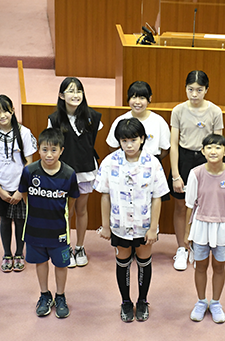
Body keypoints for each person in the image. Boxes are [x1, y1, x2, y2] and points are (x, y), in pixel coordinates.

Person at [94, 118, 169, 322]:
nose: (129, 145)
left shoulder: (152, 163)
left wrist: (153, 228)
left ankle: (143, 301)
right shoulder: (109, 162)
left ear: (142, 139)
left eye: (133, 140)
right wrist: (106, 226)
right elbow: (104, 195)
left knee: (144, 262)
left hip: (144, 226)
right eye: (124, 140)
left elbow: (157, 197)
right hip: (119, 226)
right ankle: (126, 302)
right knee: (123, 263)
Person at [18, 128, 80, 318]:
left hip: (59, 231)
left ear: (62, 150)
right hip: (35, 230)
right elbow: (24, 194)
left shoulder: (69, 174)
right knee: (40, 262)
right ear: (38, 149)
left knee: (61, 265)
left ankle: (60, 296)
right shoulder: (29, 171)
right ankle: (45, 295)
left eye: (54, 150)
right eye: (45, 149)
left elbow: (72, 200)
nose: (49, 154)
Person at [170, 70, 223, 271]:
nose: (194, 94)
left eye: (199, 90)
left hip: (206, 160)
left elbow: (218, 144)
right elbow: (173, 144)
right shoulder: (178, 110)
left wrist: (215, 169)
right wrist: (176, 174)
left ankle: (198, 247)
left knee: (203, 207)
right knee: (181, 207)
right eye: (190, 89)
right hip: (183, 159)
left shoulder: (215, 111)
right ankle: (182, 248)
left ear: (206, 90)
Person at [184, 134, 225, 324]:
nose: (213, 151)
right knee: (200, 266)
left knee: (219, 266)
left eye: (218, 147)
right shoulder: (196, 173)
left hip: (223, 226)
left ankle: (215, 303)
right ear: (203, 151)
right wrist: (187, 233)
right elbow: (190, 205)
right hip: (200, 226)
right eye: (209, 147)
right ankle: (201, 302)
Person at [0, 95, 37, 273]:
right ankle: (7, 254)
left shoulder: (24, 133)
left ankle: (19, 253)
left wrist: (21, 190)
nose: (2, 115)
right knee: (4, 220)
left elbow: (30, 163)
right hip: (0, 186)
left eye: (5, 110)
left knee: (20, 220)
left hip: (21, 187)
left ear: (12, 110)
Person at [48, 77, 102, 268]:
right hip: (64, 173)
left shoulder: (93, 117)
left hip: (86, 169)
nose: (75, 94)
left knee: (82, 209)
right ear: (61, 95)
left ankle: (80, 246)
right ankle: (66, 246)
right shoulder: (54, 119)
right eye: (70, 91)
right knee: (66, 212)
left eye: (78, 91)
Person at [106, 80, 170, 160]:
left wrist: (151, 161)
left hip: (151, 163)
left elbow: (165, 149)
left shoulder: (159, 121)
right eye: (133, 97)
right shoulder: (121, 120)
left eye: (142, 98)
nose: (137, 102)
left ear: (149, 99)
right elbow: (113, 146)